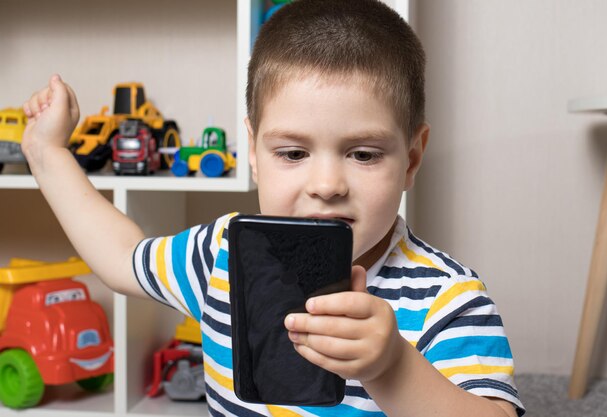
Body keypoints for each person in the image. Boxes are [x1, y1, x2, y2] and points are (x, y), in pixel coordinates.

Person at [21, 1, 525, 416]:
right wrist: (48, 155)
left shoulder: (448, 299)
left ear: (412, 158)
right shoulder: (223, 253)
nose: (326, 185)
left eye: (363, 154)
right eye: (293, 153)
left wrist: (392, 367)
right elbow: (121, 256)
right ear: (255, 154)